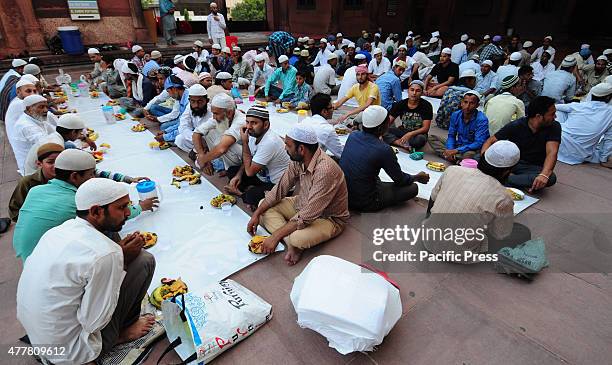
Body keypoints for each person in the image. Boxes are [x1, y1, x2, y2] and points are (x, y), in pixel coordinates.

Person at [16, 178, 156, 365]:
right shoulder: (106, 254)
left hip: (40, 338)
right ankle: (122, 333)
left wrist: (117, 259)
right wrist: (119, 263)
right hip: (73, 352)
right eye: (122, 207)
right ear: (96, 211)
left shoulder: (59, 231)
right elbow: (94, 322)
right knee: (145, 261)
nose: (128, 212)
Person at [247, 123, 349, 265]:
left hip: (328, 218)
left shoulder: (325, 170)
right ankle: (292, 245)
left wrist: (275, 236)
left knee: (298, 238)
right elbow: (280, 189)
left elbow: (307, 215)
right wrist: (256, 214)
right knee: (262, 206)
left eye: (288, 145)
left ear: (301, 149)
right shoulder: (298, 160)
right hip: (302, 203)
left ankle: (292, 241)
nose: (285, 148)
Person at [423, 140, 525, 260]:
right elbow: (499, 235)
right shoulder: (503, 197)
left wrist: (429, 220)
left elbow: (433, 198)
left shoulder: (453, 170)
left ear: (483, 157)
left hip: (428, 238)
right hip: (459, 255)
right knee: (523, 232)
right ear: (507, 171)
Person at [340, 104, 429, 213]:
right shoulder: (384, 149)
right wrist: (417, 177)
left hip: (345, 195)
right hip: (366, 202)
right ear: (382, 127)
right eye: (388, 122)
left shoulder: (353, 135)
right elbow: (400, 180)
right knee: (413, 188)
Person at [481, 96, 560, 192]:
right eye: (552, 114)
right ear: (538, 116)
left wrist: (544, 175)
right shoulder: (517, 125)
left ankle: (502, 179)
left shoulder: (554, 126)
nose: (555, 117)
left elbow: (552, 152)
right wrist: (484, 161)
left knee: (550, 177)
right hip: (511, 163)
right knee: (478, 158)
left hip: (532, 168)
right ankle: (516, 181)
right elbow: (490, 141)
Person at [225, 106, 290, 207]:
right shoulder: (253, 134)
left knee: (251, 196)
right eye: (247, 122)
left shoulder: (269, 142)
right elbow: (248, 159)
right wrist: (238, 175)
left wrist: (245, 143)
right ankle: (252, 190)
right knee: (233, 171)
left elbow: (250, 172)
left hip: (278, 184)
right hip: (262, 176)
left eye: (254, 123)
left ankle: (242, 194)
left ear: (266, 124)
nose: (249, 127)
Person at [556, 83, 612, 166]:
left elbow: (554, 107)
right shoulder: (610, 112)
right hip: (580, 155)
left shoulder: (579, 106)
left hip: (557, 144)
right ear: (608, 97)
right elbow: (609, 139)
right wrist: (603, 159)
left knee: (558, 112)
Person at [428, 90, 490, 161]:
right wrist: (450, 149)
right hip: (459, 145)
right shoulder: (456, 115)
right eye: (465, 102)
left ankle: (451, 157)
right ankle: (455, 158)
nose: (467, 106)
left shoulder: (482, 119)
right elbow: (451, 135)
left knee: (469, 155)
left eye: (472, 103)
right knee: (431, 138)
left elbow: (478, 143)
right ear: (461, 103)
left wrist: (456, 150)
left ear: (477, 105)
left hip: (472, 149)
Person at [9, 143, 64, 222]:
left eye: (59, 161)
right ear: (39, 164)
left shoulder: (69, 177)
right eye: (50, 162)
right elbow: (14, 211)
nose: (56, 166)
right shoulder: (27, 182)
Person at [193, 93, 245, 175]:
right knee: (209, 133)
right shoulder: (221, 117)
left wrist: (203, 160)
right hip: (232, 154)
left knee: (224, 144)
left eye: (216, 113)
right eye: (213, 113)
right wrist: (201, 155)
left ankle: (230, 169)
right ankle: (219, 163)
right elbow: (196, 133)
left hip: (247, 157)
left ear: (229, 113)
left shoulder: (241, 121)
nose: (213, 117)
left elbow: (222, 149)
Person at [10, 94, 55, 174]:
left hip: (40, 158)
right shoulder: (26, 125)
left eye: (46, 107)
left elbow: (54, 132)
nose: (45, 110)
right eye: (41, 107)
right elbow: (47, 145)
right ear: (29, 109)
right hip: (32, 169)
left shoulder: (35, 117)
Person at [384, 80, 433, 149]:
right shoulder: (400, 104)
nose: (414, 93)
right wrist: (381, 132)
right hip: (403, 130)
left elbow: (425, 128)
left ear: (422, 93)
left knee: (419, 140)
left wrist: (410, 134)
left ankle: (398, 141)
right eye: (412, 90)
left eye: (418, 91)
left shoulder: (426, 106)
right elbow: (389, 121)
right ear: (408, 91)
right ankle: (400, 143)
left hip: (417, 133)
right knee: (382, 131)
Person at [301, 93, 344, 159]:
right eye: (331, 108)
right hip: (312, 164)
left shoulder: (305, 121)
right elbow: (341, 154)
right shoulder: (328, 129)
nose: (333, 110)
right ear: (324, 111)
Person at [175, 84, 212, 153]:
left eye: (200, 101)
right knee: (179, 140)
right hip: (196, 138)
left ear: (207, 100)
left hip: (211, 142)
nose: (196, 105)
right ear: (189, 100)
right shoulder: (189, 107)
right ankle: (199, 152)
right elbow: (183, 126)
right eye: (193, 101)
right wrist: (196, 139)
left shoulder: (212, 112)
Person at [5, 76, 38, 150]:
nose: (32, 94)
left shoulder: (18, 100)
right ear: (18, 92)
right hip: (23, 145)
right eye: (28, 91)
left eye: (35, 91)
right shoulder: (20, 103)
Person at [154, 75, 190, 143]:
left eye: (168, 91)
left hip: (195, 130)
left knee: (179, 140)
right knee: (165, 128)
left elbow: (186, 127)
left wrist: (165, 137)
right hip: (187, 125)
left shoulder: (188, 101)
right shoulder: (182, 97)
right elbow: (181, 122)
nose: (169, 95)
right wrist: (166, 131)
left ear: (174, 89)